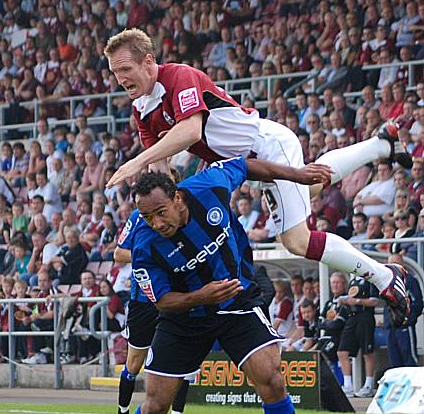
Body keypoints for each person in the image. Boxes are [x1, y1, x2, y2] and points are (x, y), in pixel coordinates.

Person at [104, 28, 410, 327]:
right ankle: (381, 143)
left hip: (266, 148)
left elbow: (190, 130)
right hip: (246, 165)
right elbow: (160, 167)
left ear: (147, 61)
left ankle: (386, 277)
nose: (121, 79)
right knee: (312, 186)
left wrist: (135, 162)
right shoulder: (142, 108)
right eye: (115, 72)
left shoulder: (178, 75)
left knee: (296, 240)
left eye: (125, 69)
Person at [95, 158, 319, 414]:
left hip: (236, 303)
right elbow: (164, 302)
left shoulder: (208, 186)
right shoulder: (143, 244)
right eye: (147, 216)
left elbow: (245, 165)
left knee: (272, 380)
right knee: (154, 405)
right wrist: (202, 295)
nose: (157, 223)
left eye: (160, 212)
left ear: (178, 198)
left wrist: (297, 174)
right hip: (184, 316)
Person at [113, 206, 191, 414]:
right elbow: (119, 254)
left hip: (174, 298)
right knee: (134, 363)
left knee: (182, 362)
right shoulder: (138, 217)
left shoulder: (182, 214)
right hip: (142, 301)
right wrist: (150, 254)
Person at [336, 277, 380, 398]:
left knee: (367, 352)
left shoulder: (371, 280)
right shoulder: (353, 280)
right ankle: (348, 386)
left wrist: (357, 301)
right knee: (342, 351)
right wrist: (344, 300)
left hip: (365, 316)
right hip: (352, 317)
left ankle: (368, 385)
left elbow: (375, 301)